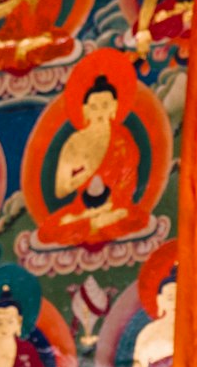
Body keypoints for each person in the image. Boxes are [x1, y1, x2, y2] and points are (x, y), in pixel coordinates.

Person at [39, 70, 147, 247]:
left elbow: (128, 182)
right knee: (53, 228)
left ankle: (97, 222)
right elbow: (61, 189)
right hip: (82, 209)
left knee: (133, 217)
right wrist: (84, 174)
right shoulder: (75, 142)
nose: (100, 112)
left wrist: (112, 203)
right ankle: (94, 222)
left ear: (114, 107)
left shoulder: (122, 140)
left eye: (105, 105)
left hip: (113, 207)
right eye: (94, 107)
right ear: (85, 110)